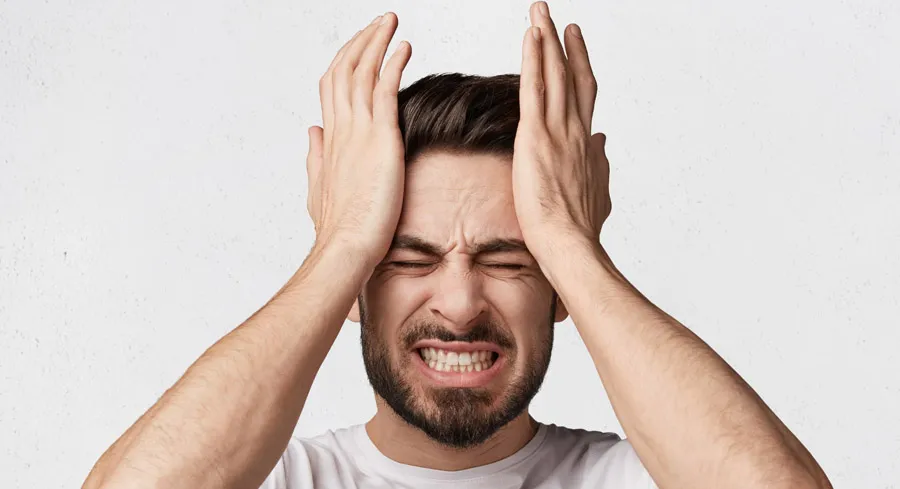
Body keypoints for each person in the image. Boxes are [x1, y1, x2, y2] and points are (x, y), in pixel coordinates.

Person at [82, 2, 834, 488]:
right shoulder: (279, 478)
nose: (461, 302)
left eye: (511, 259)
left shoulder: (633, 476)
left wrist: (571, 243)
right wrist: (341, 244)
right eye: (407, 257)